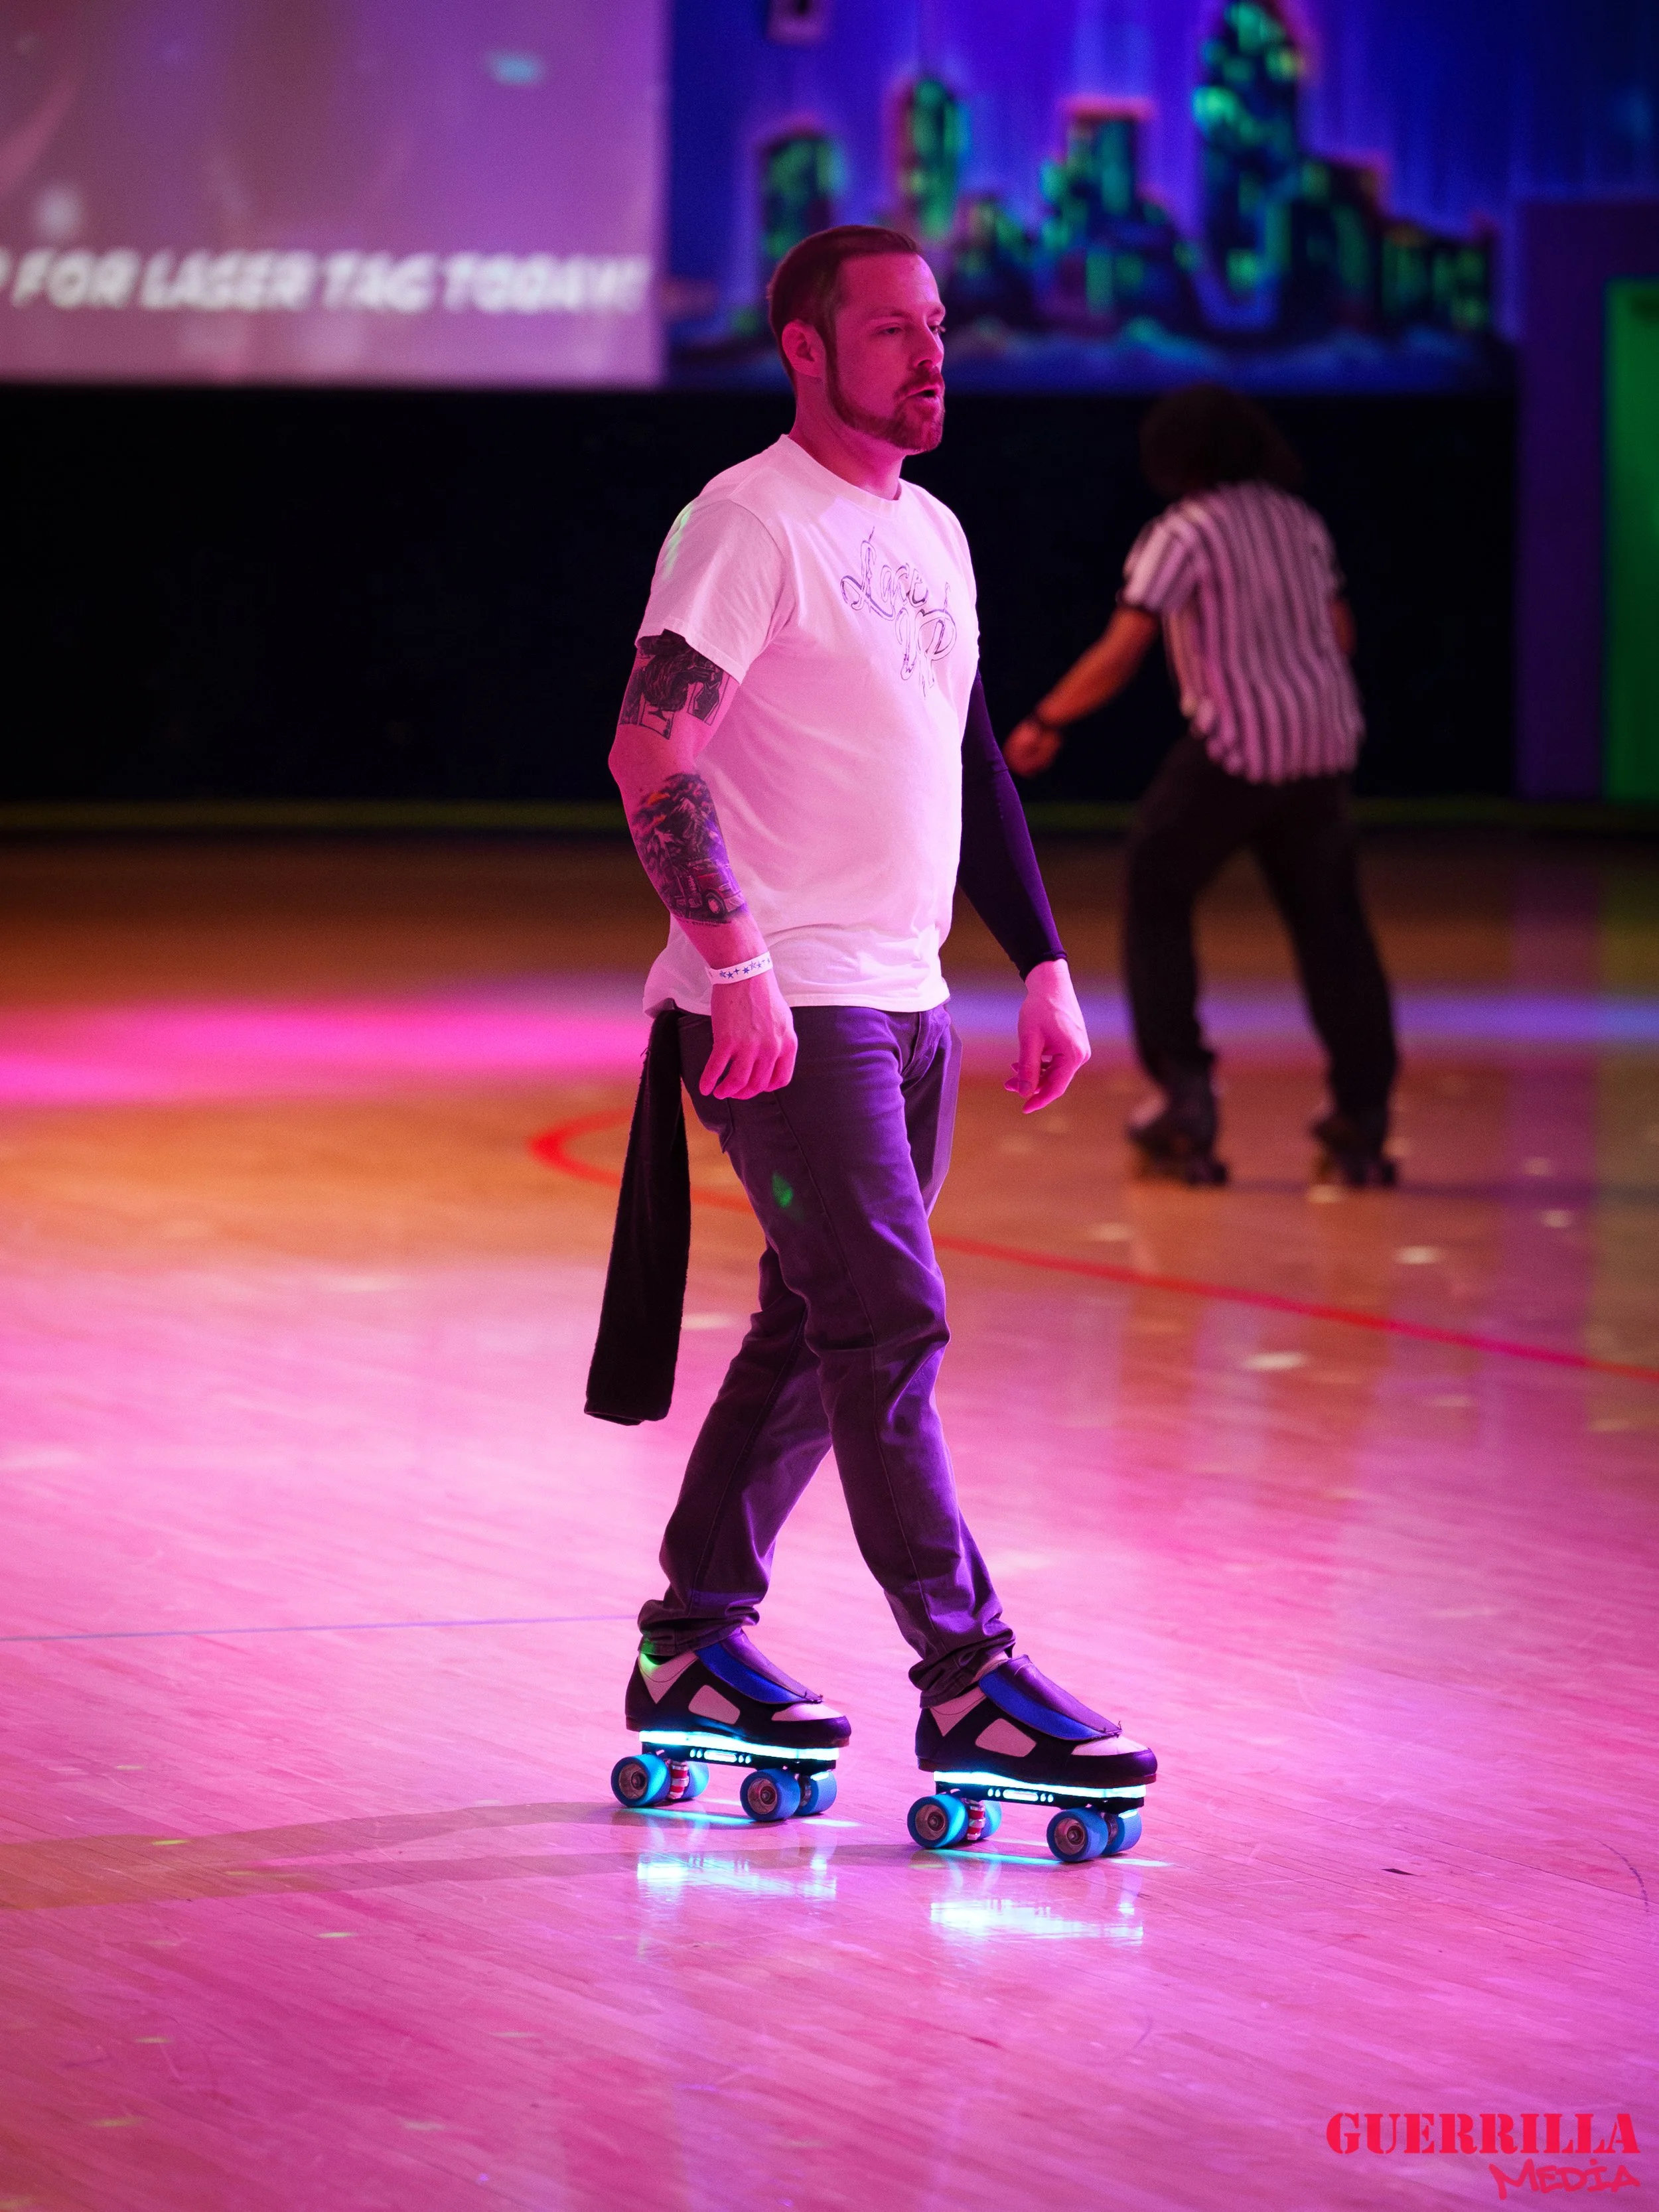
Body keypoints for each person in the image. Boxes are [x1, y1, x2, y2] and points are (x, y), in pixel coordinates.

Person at [592, 224, 1157, 1815]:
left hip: (908, 1001)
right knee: (889, 1321)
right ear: (803, 348)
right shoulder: (745, 522)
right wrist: (738, 964)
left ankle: (691, 1643)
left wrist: (1040, 960)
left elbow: (963, 759)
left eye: (938, 327)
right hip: (789, 1007)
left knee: (815, 1319)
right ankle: (969, 1675)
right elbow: (652, 756)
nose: (931, 354)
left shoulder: (937, 535)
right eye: (894, 330)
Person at [1004, 381, 1400, 1188]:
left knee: (1154, 883)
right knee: (1334, 930)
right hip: (1322, 747)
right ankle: (1361, 1117)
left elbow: (1122, 650)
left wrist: (1047, 719)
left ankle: (1184, 1095)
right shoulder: (1299, 521)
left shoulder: (1181, 533)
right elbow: (1340, 632)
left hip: (1235, 747)